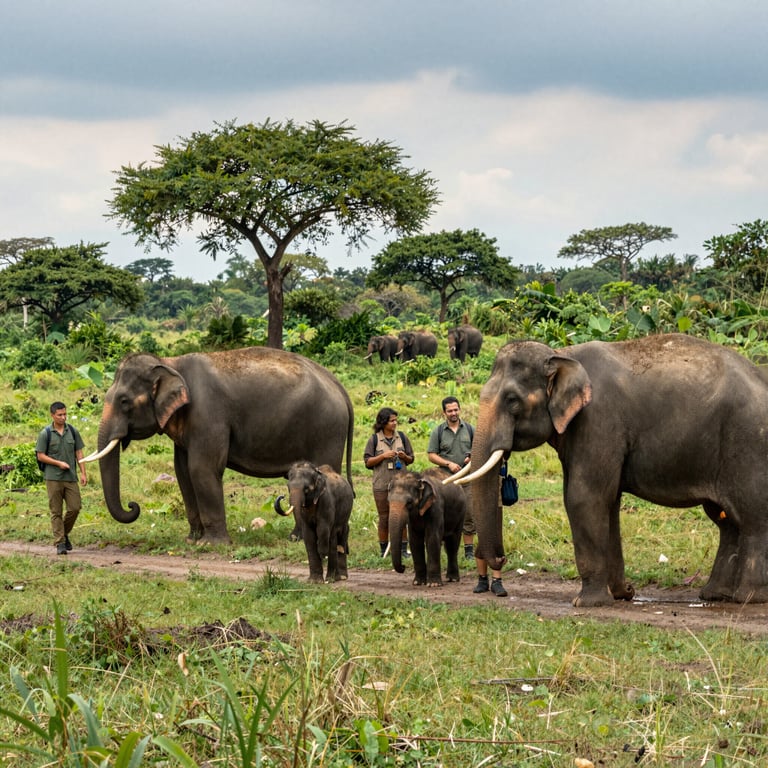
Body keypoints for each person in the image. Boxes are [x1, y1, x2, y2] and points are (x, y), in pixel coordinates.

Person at [427, 396, 507, 597]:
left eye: (456, 410)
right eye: (450, 411)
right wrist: (448, 463)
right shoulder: (441, 431)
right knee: (467, 522)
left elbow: (499, 456)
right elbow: (431, 453)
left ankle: (496, 579)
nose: (454, 413)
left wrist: (473, 457)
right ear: (444, 412)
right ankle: (481, 577)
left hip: (482, 483)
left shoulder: (483, 432)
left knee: (491, 531)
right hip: (450, 480)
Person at [363, 407, 415, 558]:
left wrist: (404, 457)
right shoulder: (374, 440)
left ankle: (403, 550)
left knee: (402, 516)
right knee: (384, 517)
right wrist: (383, 456)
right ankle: (383, 549)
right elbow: (367, 462)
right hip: (381, 485)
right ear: (383, 422)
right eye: (392, 421)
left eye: (395, 420)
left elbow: (411, 459)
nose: (395, 423)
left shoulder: (402, 438)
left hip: (401, 486)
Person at [36, 401, 87, 555]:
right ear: (52, 415)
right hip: (53, 478)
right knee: (56, 511)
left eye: (65, 414)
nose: (63, 417)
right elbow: (40, 456)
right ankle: (60, 543)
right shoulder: (45, 434)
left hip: (71, 477)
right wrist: (58, 463)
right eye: (60, 415)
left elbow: (79, 452)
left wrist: (83, 472)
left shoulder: (72, 431)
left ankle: (63, 534)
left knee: (75, 508)